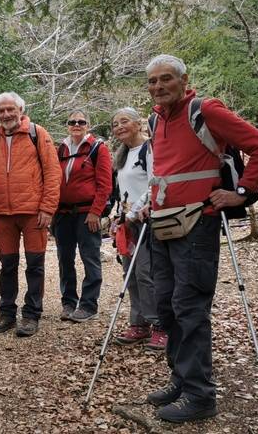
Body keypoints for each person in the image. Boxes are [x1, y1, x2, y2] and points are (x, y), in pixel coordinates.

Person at [143, 54, 258, 422]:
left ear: (184, 79)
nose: (158, 87)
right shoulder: (156, 118)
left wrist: (243, 192)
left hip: (197, 226)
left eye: (166, 79)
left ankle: (200, 396)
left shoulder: (205, 110)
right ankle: (182, 380)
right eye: (152, 81)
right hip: (161, 224)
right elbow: (165, 172)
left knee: (190, 308)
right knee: (166, 306)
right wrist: (147, 203)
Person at [0, 92, 61, 337]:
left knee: (35, 265)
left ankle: (32, 315)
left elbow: (53, 173)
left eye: (10, 109)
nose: (6, 114)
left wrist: (47, 207)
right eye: (1, 111)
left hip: (33, 212)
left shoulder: (37, 133)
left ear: (20, 110)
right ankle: (7, 313)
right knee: (7, 265)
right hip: (3, 213)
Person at [109, 107, 164, 350]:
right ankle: (138, 324)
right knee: (129, 273)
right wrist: (117, 217)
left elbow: (153, 183)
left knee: (146, 272)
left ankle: (160, 325)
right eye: (115, 124)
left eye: (124, 121)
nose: (119, 127)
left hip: (144, 219)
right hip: (127, 221)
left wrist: (133, 214)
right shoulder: (122, 154)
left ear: (137, 123)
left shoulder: (148, 149)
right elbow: (121, 191)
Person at [54, 110, 113, 323]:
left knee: (90, 257)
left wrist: (96, 212)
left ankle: (89, 304)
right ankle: (68, 302)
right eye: (72, 121)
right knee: (65, 259)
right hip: (62, 214)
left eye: (81, 121)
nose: (76, 125)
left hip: (87, 214)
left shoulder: (98, 148)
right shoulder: (60, 148)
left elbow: (105, 184)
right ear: (67, 125)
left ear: (88, 124)